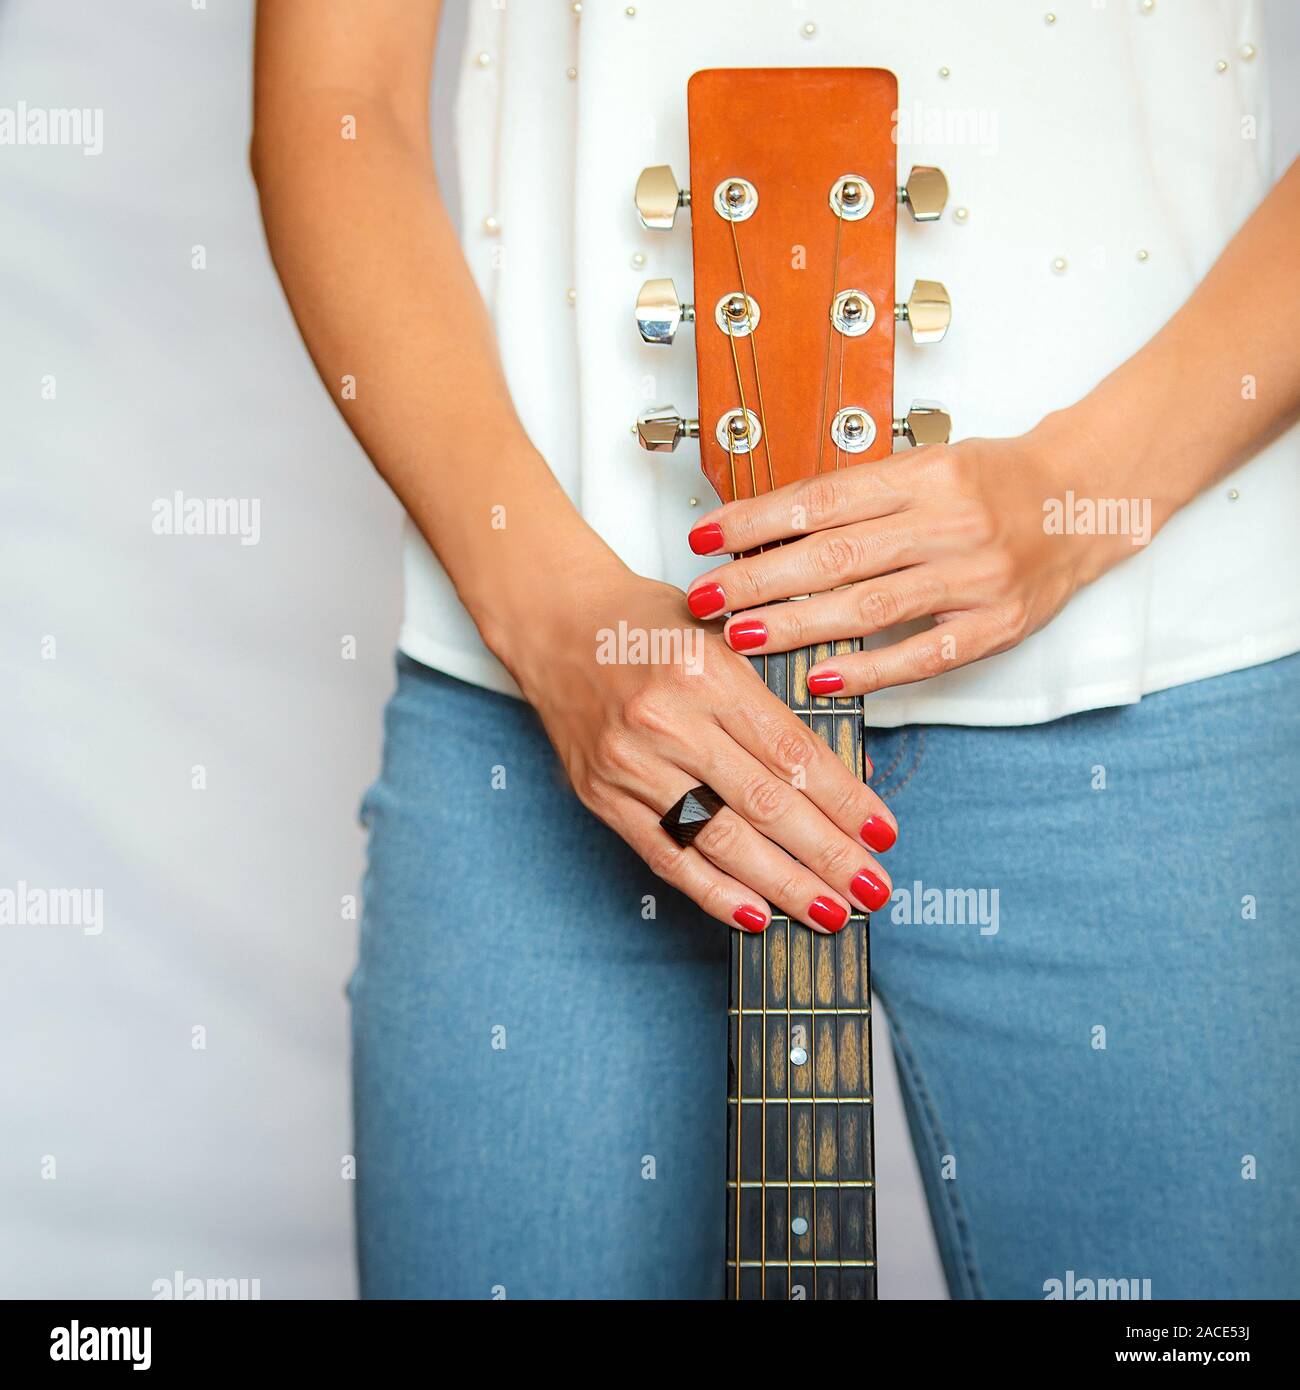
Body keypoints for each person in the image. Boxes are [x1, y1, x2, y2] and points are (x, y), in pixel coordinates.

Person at [252, 0, 1300, 1298]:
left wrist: (1083, 490)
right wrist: (543, 602)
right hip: (566, 683)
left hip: (1157, 683)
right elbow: (336, 100)